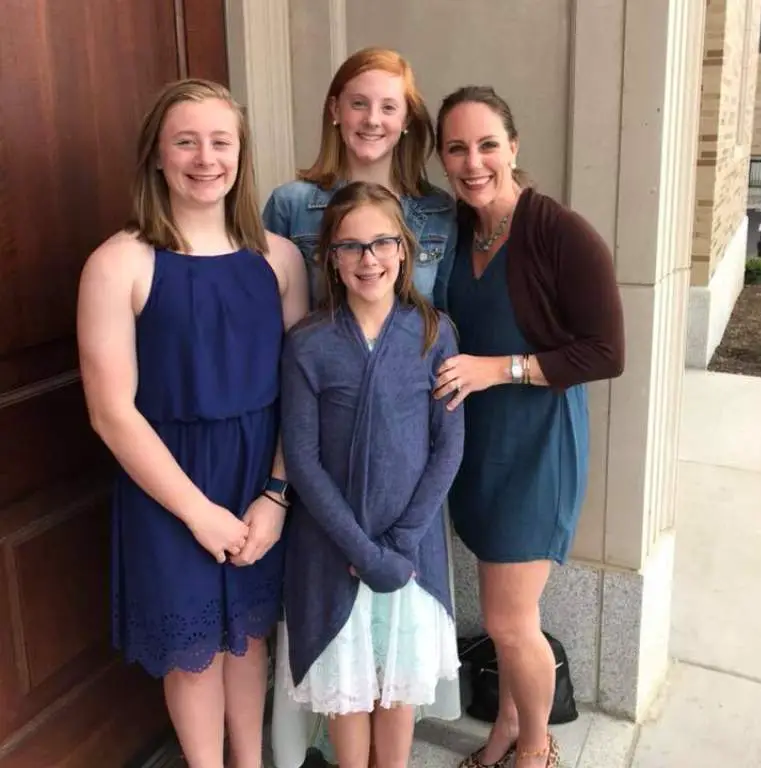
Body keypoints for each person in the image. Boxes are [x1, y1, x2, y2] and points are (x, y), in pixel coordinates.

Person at [77, 78, 308, 768]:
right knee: (195, 653)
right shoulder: (118, 262)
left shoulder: (280, 258)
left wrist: (275, 495)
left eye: (220, 141)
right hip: (167, 485)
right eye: (186, 141)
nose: (205, 158)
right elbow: (111, 412)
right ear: (157, 155)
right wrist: (198, 512)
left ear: (240, 154)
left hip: (260, 472)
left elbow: (300, 394)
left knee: (249, 637)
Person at [433, 86, 625, 768]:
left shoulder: (557, 232)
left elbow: (606, 352)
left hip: (538, 445)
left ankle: (536, 751)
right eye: (456, 147)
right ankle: (506, 728)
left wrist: (498, 370)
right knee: (509, 620)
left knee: (510, 622)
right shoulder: (454, 230)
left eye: (487, 144)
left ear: (514, 146)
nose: (473, 160)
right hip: (477, 449)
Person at [276, 182, 464, 768]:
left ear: (404, 250)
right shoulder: (308, 343)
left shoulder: (434, 332)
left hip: (409, 548)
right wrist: (361, 548)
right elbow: (302, 459)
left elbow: (448, 447)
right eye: (351, 246)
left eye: (382, 242)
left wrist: (399, 546)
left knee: (397, 684)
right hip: (335, 549)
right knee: (350, 690)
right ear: (329, 257)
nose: (368, 258)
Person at [262, 46, 456, 310]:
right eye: (358, 104)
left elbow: (446, 317)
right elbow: (265, 314)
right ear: (335, 110)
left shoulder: (439, 209)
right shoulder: (289, 206)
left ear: (406, 119)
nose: (372, 120)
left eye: (388, 107)